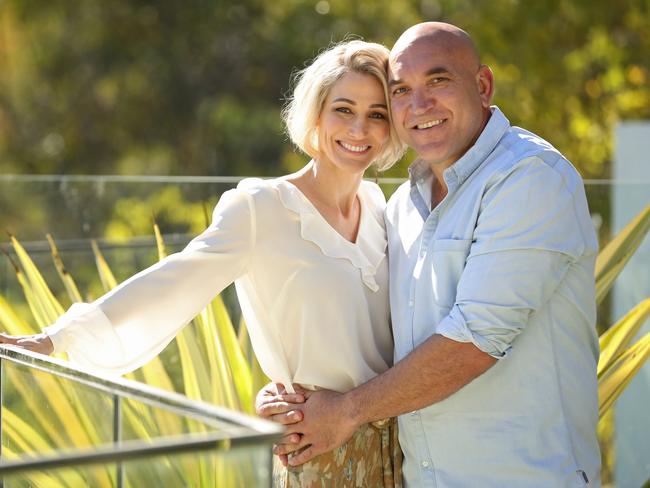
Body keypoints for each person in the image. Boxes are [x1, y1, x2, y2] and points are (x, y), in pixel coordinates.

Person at [0, 40, 406, 487]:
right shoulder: (261, 207)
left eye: (377, 114)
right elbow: (177, 279)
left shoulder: (379, 205)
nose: (359, 128)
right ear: (316, 114)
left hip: (399, 444)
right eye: (344, 110)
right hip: (317, 446)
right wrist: (59, 338)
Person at [258, 22, 601, 487]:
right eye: (401, 91)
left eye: (438, 81)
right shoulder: (401, 206)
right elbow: (371, 337)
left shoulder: (530, 178)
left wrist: (345, 412)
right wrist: (291, 391)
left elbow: (476, 337)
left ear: (482, 86)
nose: (419, 105)